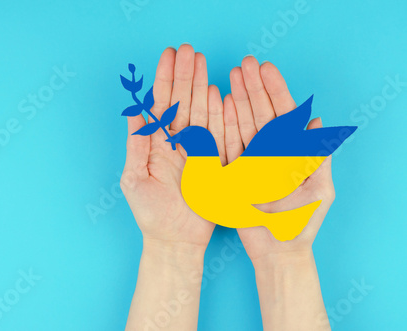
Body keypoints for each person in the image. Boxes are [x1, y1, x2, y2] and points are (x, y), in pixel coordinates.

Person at [121, 44, 334, 331]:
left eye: (185, 138)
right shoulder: (205, 176)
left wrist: (285, 257)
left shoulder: (221, 176)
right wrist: (169, 248)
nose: (179, 140)